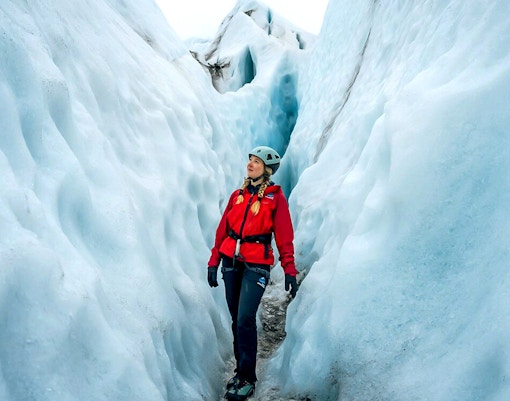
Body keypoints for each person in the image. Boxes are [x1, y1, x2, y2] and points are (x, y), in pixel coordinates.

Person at [207, 145, 298, 400]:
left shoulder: (274, 198)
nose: (251, 164)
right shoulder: (237, 195)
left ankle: (248, 377)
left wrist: (289, 269)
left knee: (246, 317)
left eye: (256, 162)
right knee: (237, 319)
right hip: (231, 262)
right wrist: (214, 262)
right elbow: (222, 230)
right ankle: (239, 372)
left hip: (256, 265)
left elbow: (284, 236)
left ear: (267, 169)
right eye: (250, 160)